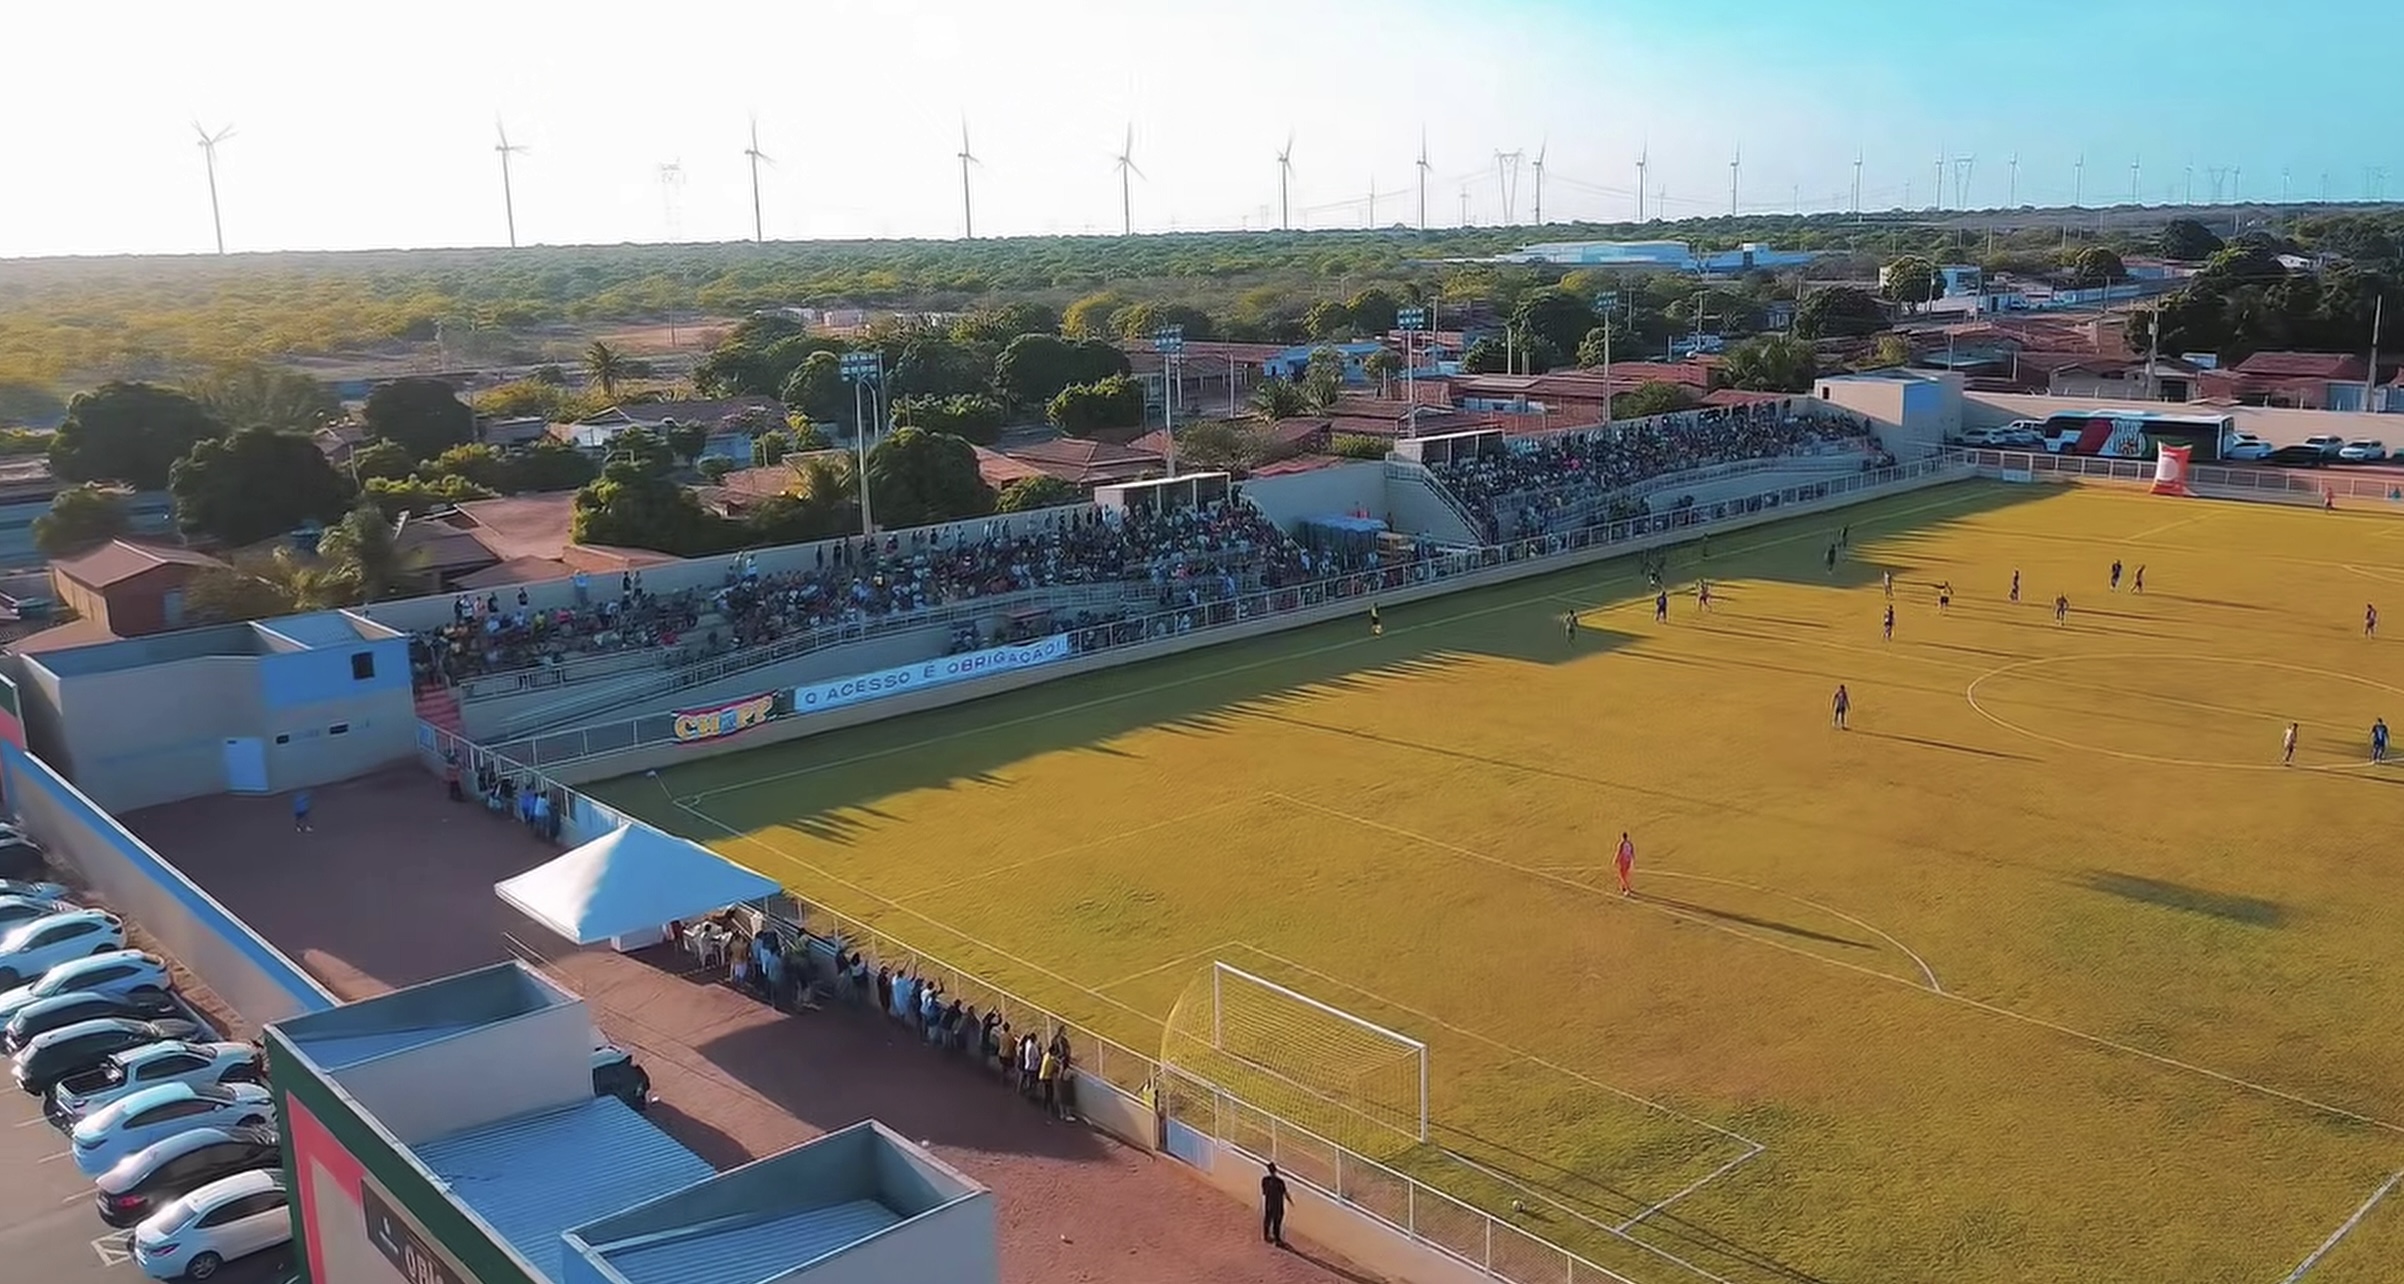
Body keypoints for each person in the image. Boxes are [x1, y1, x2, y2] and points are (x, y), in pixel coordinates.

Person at [1261, 1161, 1295, 1247]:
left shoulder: (1265, 1180)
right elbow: (1285, 1193)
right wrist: (1291, 1201)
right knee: (1277, 1221)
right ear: (1275, 1170)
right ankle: (1277, 1239)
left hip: (1268, 1203)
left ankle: (1266, 1236)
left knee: (1268, 1219)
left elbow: (1264, 1192)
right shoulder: (1280, 1182)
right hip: (1278, 1205)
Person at [1615, 831, 1636, 897]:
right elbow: (1632, 853)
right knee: (1625, 875)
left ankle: (1627, 889)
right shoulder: (1630, 844)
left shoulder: (1621, 844)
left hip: (1622, 861)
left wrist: (1615, 860)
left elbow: (1619, 852)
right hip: (1628, 861)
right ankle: (1623, 887)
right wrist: (1632, 861)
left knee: (1622, 875)